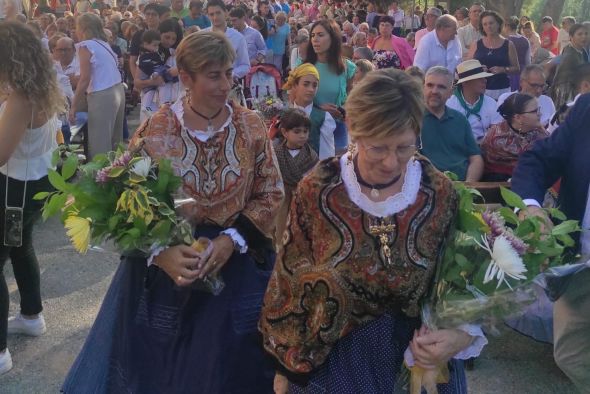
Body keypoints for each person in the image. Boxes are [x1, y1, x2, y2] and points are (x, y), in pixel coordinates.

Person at [62, 31, 284, 393]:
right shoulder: (157, 126)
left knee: (230, 371)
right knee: (164, 375)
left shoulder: (251, 125)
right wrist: (161, 252)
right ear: (185, 78)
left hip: (237, 264)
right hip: (168, 275)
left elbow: (271, 191)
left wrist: (231, 240)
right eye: (214, 75)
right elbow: (124, 196)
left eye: (228, 73)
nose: (226, 84)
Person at [260, 69, 486, 394]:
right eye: (378, 148)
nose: (393, 162)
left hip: (416, 359)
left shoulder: (438, 191)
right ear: (354, 131)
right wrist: (286, 369)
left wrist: (460, 335)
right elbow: (291, 277)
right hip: (337, 361)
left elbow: (461, 279)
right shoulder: (320, 189)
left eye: (405, 147)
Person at [511, 93, 590, 393]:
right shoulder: (587, 109)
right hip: (580, 266)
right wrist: (530, 207)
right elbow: (539, 159)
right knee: (570, 354)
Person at [0, 21, 65, 375]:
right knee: (22, 248)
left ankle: (0, 353)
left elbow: (1, 153)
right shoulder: (37, 88)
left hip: (12, 193)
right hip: (33, 188)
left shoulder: (21, 99)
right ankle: (31, 315)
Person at [69, 13, 124, 159]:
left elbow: (84, 79)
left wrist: (73, 106)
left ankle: (99, 179)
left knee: (99, 144)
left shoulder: (85, 45)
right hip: (117, 90)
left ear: (84, 28)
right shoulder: (104, 43)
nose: (75, 30)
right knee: (115, 141)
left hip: (103, 94)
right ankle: (115, 177)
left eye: (76, 27)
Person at [301, 19, 356, 152]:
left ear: (333, 38)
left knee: (337, 167)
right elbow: (294, 99)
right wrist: (319, 109)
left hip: (338, 126)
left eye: (320, 35)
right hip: (309, 128)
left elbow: (350, 97)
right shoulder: (303, 66)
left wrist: (342, 109)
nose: (315, 39)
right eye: (313, 35)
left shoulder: (348, 68)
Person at [420, 66, 483, 181]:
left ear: (450, 92)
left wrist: (468, 186)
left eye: (441, 87)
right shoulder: (412, 118)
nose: (434, 91)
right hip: (426, 186)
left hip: (461, 187)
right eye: (430, 85)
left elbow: (475, 157)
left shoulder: (460, 120)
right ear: (423, 88)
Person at [272, 108, 319, 247]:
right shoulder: (276, 154)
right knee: (281, 235)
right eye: (297, 131)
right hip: (283, 200)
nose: (302, 135)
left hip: (304, 200)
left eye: (305, 131)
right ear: (285, 132)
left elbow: (315, 181)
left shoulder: (312, 156)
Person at [480, 93, 548, 181]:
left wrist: (544, 133)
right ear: (518, 117)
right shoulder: (498, 137)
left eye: (539, 109)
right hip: (499, 186)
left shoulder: (539, 133)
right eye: (535, 111)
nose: (540, 114)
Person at [284, 63, 336, 160]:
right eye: (306, 84)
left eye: (314, 85)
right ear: (295, 85)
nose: (311, 89)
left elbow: (327, 155)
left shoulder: (324, 117)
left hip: (313, 171)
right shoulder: (284, 115)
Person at [467, 11, 519, 100]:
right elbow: (467, 67)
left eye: (491, 23)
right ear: (482, 27)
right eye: (485, 24)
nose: (488, 26)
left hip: (502, 90)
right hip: (479, 90)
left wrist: (503, 69)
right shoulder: (476, 44)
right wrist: (478, 69)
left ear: (498, 24)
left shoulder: (509, 44)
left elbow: (516, 68)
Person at [446, 59, 496, 143]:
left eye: (484, 77)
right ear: (465, 82)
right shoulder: (449, 104)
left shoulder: (491, 103)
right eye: (479, 78)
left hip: (485, 150)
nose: (485, 80)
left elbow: (496, 134)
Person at [204, 0, 250, 79]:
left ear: (225, 13)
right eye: (211, 14)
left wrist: (229, 74)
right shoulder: (202, 35)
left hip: (229, 86)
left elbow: (245, 66)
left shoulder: (238, 38)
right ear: (208, 16)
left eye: (218, 13)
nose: (215, 17)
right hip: (207, 85)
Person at [550, 24, 589, 110]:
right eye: (580, 34)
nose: (584, 37)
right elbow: (562, 82)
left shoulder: (582, 51)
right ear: (571, 37)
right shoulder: (570, 55)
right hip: (566, 92)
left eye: (586, 34)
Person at [503, 16, 531, 91]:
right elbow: (528, 60)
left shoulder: (506, 41)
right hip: (522, 73)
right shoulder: (525, 40)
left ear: (507, 26)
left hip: (510, 72)